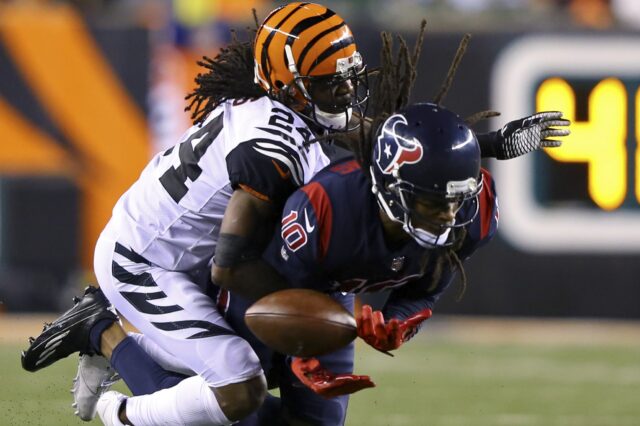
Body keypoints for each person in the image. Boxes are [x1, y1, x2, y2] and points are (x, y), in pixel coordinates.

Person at [20, 3, 570, 426]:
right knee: (237, 386)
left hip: (192, 250)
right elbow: (230, 265)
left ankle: (109, 335)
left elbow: (392, 145)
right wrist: (313, 325)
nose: (349, 91)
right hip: (148, 261)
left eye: (351, 76)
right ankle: (103, 341)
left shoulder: (287, 117)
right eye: (333, 82)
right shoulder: (270, 146)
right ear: (289, 84)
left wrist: (491, 142)